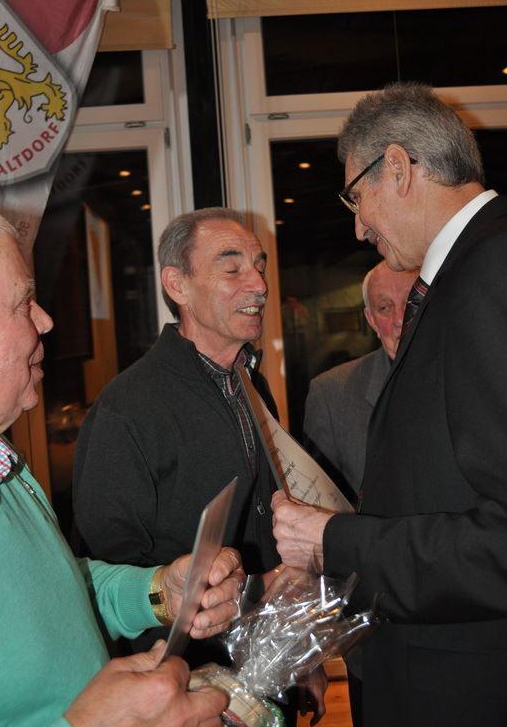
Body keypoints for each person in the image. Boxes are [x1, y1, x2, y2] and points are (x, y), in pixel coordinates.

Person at [271, 82, 507, 726]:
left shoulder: (490, 272)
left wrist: (334, 541)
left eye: (356, 196)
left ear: (398, 168)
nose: (358, 225)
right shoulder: (466, 271)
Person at [73, 208, 326, 723]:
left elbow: (266, 526)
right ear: (177, 285)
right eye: (232, 268)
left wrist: (299, 652)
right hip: (188, 694)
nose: (259, 284)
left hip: (266, 675)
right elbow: (112, 576)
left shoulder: (251, 384)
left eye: (259, 266)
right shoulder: (127, 408)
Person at [0, 214, 245, 727]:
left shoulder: (9, 468)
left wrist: (160, 592)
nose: (45, 320)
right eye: (23, 302)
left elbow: (63, 589)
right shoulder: (128, 408)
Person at [304, 260, 417, 498]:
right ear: (371, 320)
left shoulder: (469, 374)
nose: (400, 319)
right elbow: (322, 503)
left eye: (410, 302)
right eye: (384, 308)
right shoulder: (330, 395)